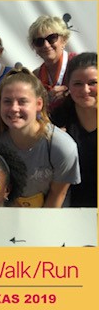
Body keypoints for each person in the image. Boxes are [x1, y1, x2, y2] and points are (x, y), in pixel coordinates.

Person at [0, 66, 81, 208]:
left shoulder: (61, 147)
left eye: (22, 101)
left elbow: (57, 194)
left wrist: (37, 227)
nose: (14, 108)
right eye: (7, 101)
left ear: (38, 104)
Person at [51, 52, 97, 207]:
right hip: (69, 210)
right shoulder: (57, 120)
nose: (85, 90)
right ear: (68, 85)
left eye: (93, 83)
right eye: (78, 83)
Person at [28, 15, 76, 113]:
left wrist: (71, 94)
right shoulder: (36, 76)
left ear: (64, 39)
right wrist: (46, 100)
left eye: (52, 38)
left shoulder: (79, 64)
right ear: (35, 48)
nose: (46, 45)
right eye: (39, 41)